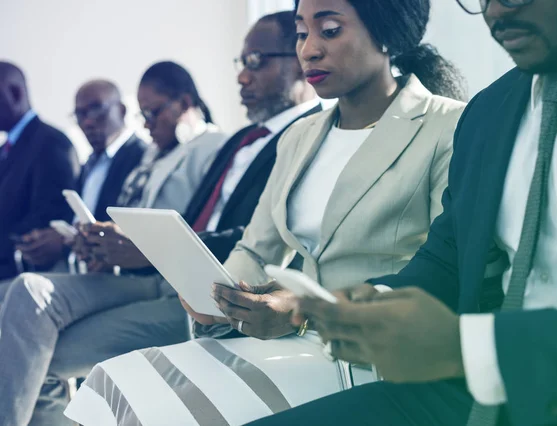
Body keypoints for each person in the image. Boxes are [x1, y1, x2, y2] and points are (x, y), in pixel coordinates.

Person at [65, 1, 468, 424]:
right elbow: (255, 250)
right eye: (300, 33)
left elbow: (441, 269)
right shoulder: (300, 136)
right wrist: (214, 297)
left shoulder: (448, 126)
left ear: (388, 35)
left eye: (329, 30)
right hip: (280, 336)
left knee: (158, 413)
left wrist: (301, 310)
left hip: (364, 350)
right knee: (109, 382)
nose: (309, 49)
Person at [244, 0, 557, 426]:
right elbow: (446, 259)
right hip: (467, 392)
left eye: (331, 30)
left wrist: (464, 346)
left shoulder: (447, 122)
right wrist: (369, 303)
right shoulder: (491, 112)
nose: (496, 10)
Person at [1, 12, 319, 426]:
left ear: (297, 58)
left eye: (256, 61)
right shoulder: (241, 141)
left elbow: (261, 240)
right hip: (161, 272)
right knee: (26, 305)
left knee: (29, 350)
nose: (242, 77)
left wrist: (152, 249)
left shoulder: (289, 138)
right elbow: (189, 217)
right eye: (241, 64)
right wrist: (114, 243)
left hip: (209, 286)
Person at [0, 61, 227, 426]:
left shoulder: (212, 148)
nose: (147, 123)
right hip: (128, 269)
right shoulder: (153, 154)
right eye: (144, 114)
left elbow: (205, 228)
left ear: (185, 103)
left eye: (153, 112)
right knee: (23, 303)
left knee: (30, 329)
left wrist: (131, 246)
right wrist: (100, 240)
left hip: (162, 277)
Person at [14, 80, 147, 271]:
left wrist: (64, 243)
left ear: (122, 110)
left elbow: (128, 227)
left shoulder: (143, 158)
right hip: (80, 267)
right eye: (80, 114)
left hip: (120, 273)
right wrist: (55, 236)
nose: (87, 122)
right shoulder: (89, 165)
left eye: (96, 109)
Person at [0, 61, 79, 280]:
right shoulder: (5, 150)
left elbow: (50, 215)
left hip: (21, 271)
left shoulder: (51, 142)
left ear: (15, 93)